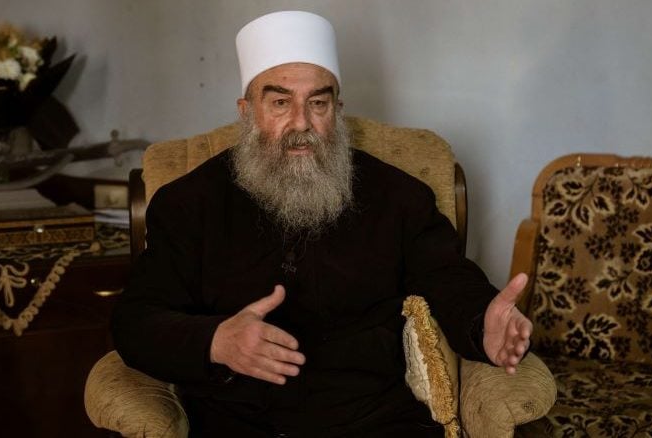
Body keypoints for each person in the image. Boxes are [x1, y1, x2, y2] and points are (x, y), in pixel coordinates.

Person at [112, 10, 532, 437]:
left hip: (373, 423)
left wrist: (484, 325)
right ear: (246, 111)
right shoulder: (189, 203)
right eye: (280, 103)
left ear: (337, 110)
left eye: (318, 103)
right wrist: (216, 341)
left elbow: (449, 280)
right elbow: (135, 320)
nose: (301, 123)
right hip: (239, 424)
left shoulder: (398, 196)